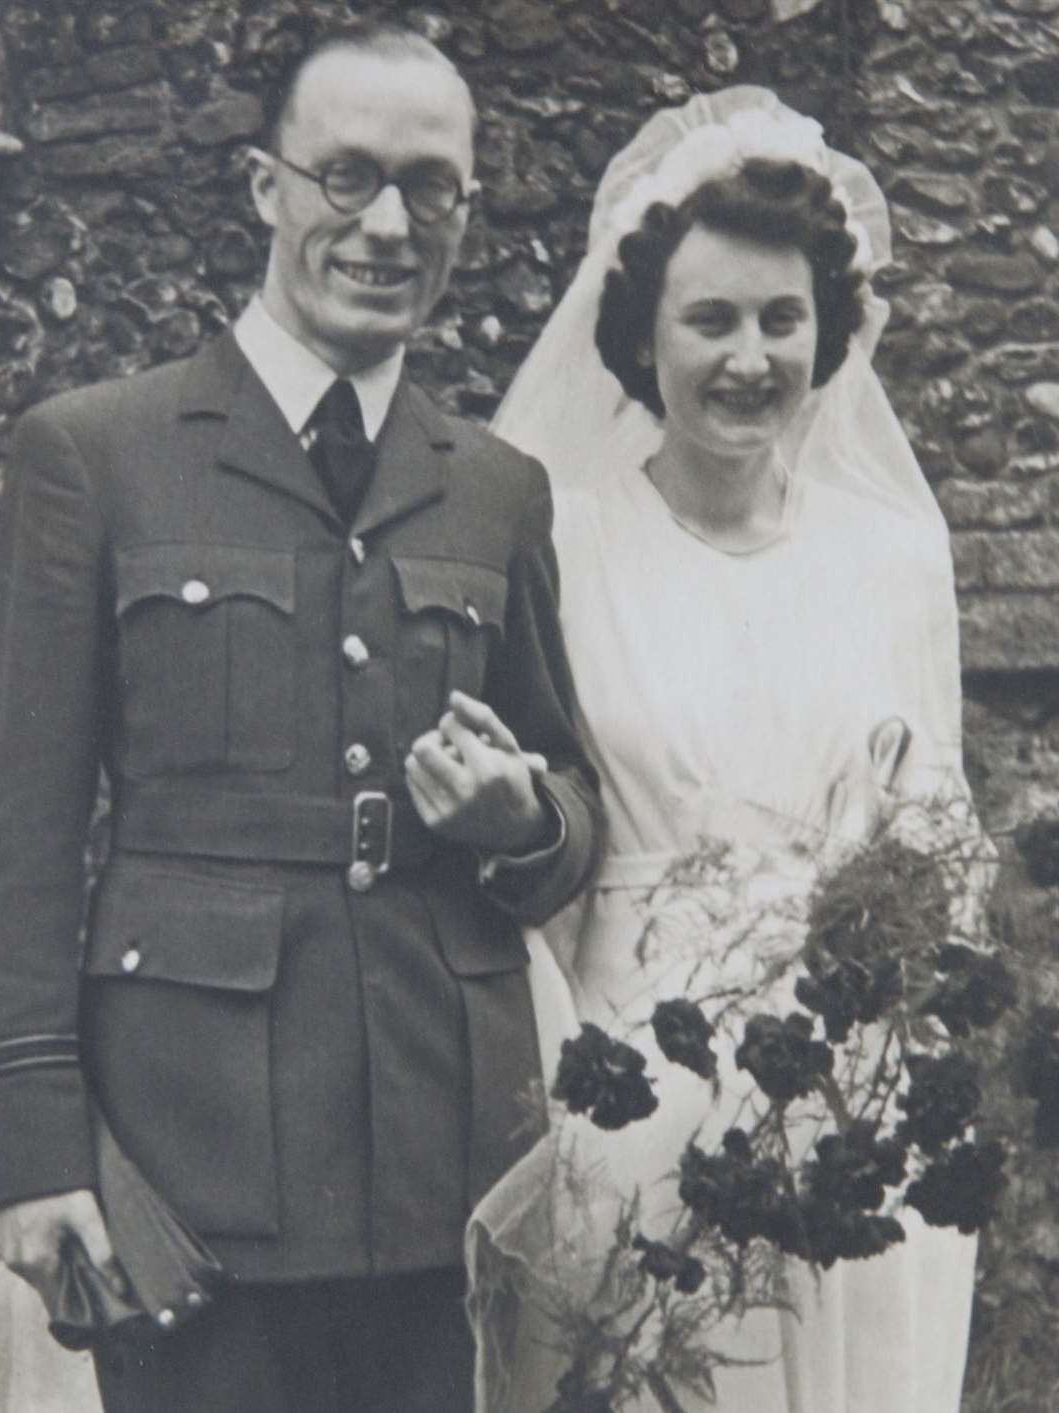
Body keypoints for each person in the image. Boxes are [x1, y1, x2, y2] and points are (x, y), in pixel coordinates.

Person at [0, 22, 601, 1413]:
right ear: (266, 188)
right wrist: (24, 1146)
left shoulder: (497, 485)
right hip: (192, 1152)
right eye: (348, 177)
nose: (388, 225)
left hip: (450, 1155)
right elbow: (12, 829)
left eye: (430, 188)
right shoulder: (98, 453)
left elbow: (572, 809)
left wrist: (522, 819)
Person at [469, 87, 981, 1413]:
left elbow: (943, 833)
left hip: (852, 1093)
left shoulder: (892, 554)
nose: (749, 355)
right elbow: (539, 840)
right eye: (711, 319)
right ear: (644, 335)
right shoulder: (564, 542)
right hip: (628, 1089)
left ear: (827, 331)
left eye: (780, 318)